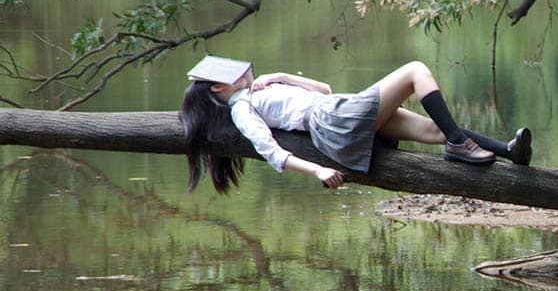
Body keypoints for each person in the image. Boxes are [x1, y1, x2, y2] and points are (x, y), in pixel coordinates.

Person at [179, 55, 532, 194]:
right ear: (218, 88)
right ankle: (459, 146)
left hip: (334, 106)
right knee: (415, 71)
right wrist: (317, 171)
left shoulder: (260, 89)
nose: (245, 71)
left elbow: (325, 89)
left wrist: (283, 75)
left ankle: (507, 151)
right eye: (234, 74)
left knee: (434, 131)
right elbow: (271, 151)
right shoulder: (242, 110)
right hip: (333, 121)